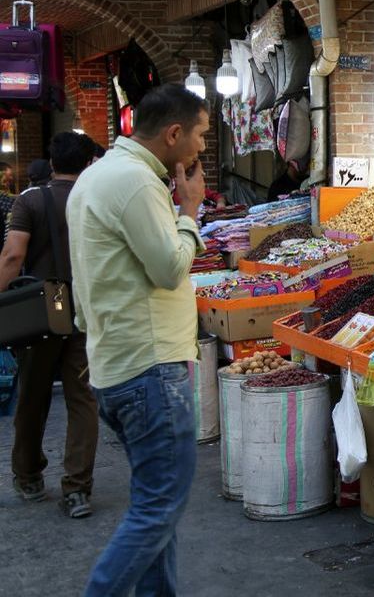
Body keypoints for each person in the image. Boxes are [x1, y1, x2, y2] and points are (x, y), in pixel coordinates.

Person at [67, 84, 208, 596]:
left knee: (156, 507)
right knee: (156, 510)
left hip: (116, 364)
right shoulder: (134, 183)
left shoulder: (96, 176)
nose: (200, 149)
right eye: (198, 135)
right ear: (173, 134)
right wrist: (188, 211)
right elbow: (171, 267)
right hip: (150, 371)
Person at [1, 133, 100, 517]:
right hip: (87, 305)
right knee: (82, 398)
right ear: (89, 161)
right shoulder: (95, 197)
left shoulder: (30, 200)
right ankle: (77, 489)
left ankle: (28, 477)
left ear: (51, 160)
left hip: (44, 309)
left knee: (33, 396)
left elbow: (13, 256)